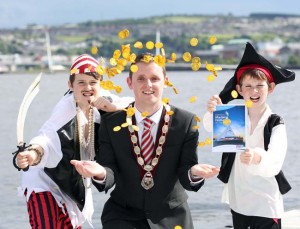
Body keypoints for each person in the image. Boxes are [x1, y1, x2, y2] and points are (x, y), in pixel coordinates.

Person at [70, 52, 220, 229]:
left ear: (165, 81)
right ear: (129, 82)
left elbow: (186, 172)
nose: (148, 84)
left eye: (155, 78)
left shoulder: (186, 123)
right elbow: (109, 171)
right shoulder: (112, 122)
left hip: (172, 216)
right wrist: (100, 172)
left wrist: (194, 172)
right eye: (141, 78)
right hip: (122, 216)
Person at [15, 54, 134, 228]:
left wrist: (113, 108)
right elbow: (46, 137)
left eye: (93, 83)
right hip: (43, 179)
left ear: (100, 84)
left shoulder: (104, 99)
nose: (88, 87)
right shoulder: (65, 108)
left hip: (71, 183)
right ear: (70, 85)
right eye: (81, 83)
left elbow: (133, 104)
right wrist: (33, 154)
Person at [203, 42, 294, 229]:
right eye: (248, 86)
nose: (254, 91)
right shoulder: (234, 115)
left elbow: (275, 161)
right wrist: (213, 112)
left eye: (260, 86)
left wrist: (257, 156)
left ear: (270, 88)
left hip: (266, 201)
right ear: (240, 89)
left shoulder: (275, 122)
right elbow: (209, 128)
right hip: (239, 199)